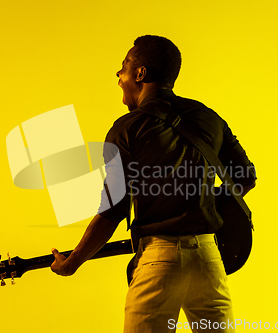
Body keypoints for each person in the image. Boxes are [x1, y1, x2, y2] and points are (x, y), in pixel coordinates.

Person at [50, 35, 256, 333]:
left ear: (140, 74)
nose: (118, 77)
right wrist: (204, 205)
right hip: (210, 259)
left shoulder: (128, 128)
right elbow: (245, 176)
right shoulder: (207, 117)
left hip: (160, 258)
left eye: (123, 68)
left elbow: (113, 210)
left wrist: (73, 262)